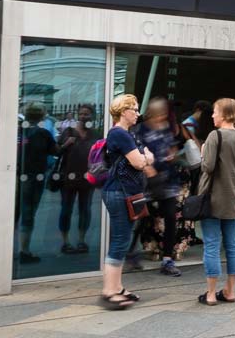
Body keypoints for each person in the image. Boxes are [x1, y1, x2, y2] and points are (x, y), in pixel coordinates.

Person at [100, 94, 154, 309]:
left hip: (124, 192)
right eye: (135, 109)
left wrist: (144, 157)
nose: (138, 114)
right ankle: (109, 291)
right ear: (124, 112)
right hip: (119, 192)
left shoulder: (123, 134)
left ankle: (118, 287)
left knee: (122, 239)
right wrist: (147, 157)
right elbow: (139, 162)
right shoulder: (120, 134)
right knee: (121, 241)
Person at [197, 97, 235, 306]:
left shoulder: (214, 136)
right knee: (232, 245)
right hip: (234, 199)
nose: (212, 115)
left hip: (212, 199)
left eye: (215, 111)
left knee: (211, 245)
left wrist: (203, 154)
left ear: (225, 114)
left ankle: (210, 294)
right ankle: (229, 291)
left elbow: (208, 167)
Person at [132, 99, 183, 277]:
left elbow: (172, 147)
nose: (162, 117)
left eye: (163, 114)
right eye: (159, 114)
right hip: (147, 183)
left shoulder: (166, 128)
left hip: (167, 182)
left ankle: (167, 259)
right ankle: (132, 252)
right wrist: (147, 167)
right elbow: (135, 153)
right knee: (141, 218)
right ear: (151, 114)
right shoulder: (140, 131)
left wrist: (173, 154)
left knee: (170, 218)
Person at [16, 103, 58, 265]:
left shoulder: (19, 131)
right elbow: (55, 151)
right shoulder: (43, 133)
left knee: (15, 213)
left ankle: (8, 249)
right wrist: (67, 143)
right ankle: (24, 250)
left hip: (17, 176)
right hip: (34, 179)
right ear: (42, 116)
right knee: (28, 214)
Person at [57, 104, 97, 255]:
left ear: (92, 116)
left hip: (87, 180)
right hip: (68, 179)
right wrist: (66, 144)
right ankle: (65, 242)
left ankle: (81, 240)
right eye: (81, 114)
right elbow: (56, 150)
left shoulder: (95, 134)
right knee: (66, 209)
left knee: (85, 210)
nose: (83, 116)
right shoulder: (68, 132)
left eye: (87, 114)